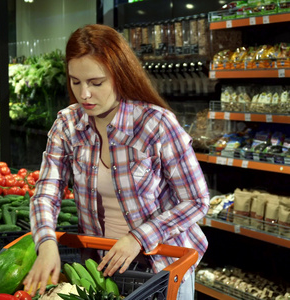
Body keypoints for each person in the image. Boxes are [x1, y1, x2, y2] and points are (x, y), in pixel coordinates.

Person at [23, 24, 209, 300]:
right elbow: (46, 191)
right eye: (76, 82)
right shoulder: (68, 124)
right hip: (102, 269)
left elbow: (196, 200)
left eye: (96, 83)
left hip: (163, 268)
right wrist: (46, 241)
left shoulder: (156, 125)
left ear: (119, 75)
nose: (84, 94)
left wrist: (138, 238)